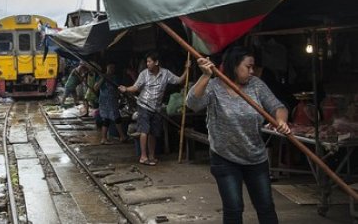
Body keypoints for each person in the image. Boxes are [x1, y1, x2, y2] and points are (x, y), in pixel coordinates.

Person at [186, 46, 290, 224]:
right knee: (234, 209)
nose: (252, 71)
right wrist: (205, 76)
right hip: (224, 158)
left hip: (255, 157)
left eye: (253, 67)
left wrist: (281, 121)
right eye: (248, 67)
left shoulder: (256, 84)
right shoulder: (214, 87)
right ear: (234, 66)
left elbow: (277, 107)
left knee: (265, 206)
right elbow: (192, 103)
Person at [118, 52, 188, 166]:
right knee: (144, 130)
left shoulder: (165, 73)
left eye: (149, 61)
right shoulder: (144, 74)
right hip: (144, 105)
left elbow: (179, 81)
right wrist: (126, 88)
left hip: (156, 108)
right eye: (147, 62)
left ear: (156, 62)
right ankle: (143, 156)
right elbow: (136, 87)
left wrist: (186, 69)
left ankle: (151, 156)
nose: (147, 64)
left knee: (153, 133)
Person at [95, 62, 128, 144]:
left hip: (113, 100)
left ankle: (106, 138)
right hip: (104, 101)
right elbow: (95, 87)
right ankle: (120, 136)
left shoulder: (115, 77)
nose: (111, 70)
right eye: (110, 68)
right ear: (106, 68)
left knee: (113, 118)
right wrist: (103, 78)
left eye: (113, 68)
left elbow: (118, 88)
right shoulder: (101, 76)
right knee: (111, 118)